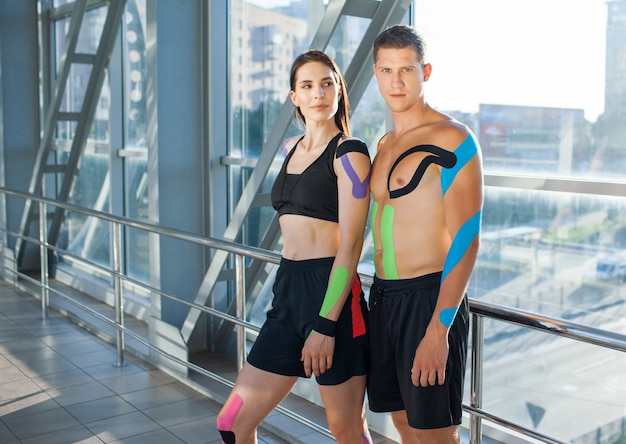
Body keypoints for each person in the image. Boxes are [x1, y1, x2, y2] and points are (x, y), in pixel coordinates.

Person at [216, 50, 373, 444]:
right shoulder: (289, 149)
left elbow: (351, 244)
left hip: (334, 298)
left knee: (348, 431)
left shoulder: (349, 153)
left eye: (326, 83)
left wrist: (325, 325)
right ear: (295, 97)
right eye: (307, 85)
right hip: (287, 292)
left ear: (339, 90)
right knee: (232, 423)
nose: (318, 93)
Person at [367, 25, 483, 444]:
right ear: (376, 72)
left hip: (428, 300)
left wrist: (439, 328)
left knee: (434, 434)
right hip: (382, 298)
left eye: (407, 70)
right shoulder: (383, 144)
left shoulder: (453, 138)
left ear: (425, 71)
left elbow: (467, 237)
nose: (396, 82)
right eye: (386, 70)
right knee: (400, 424)